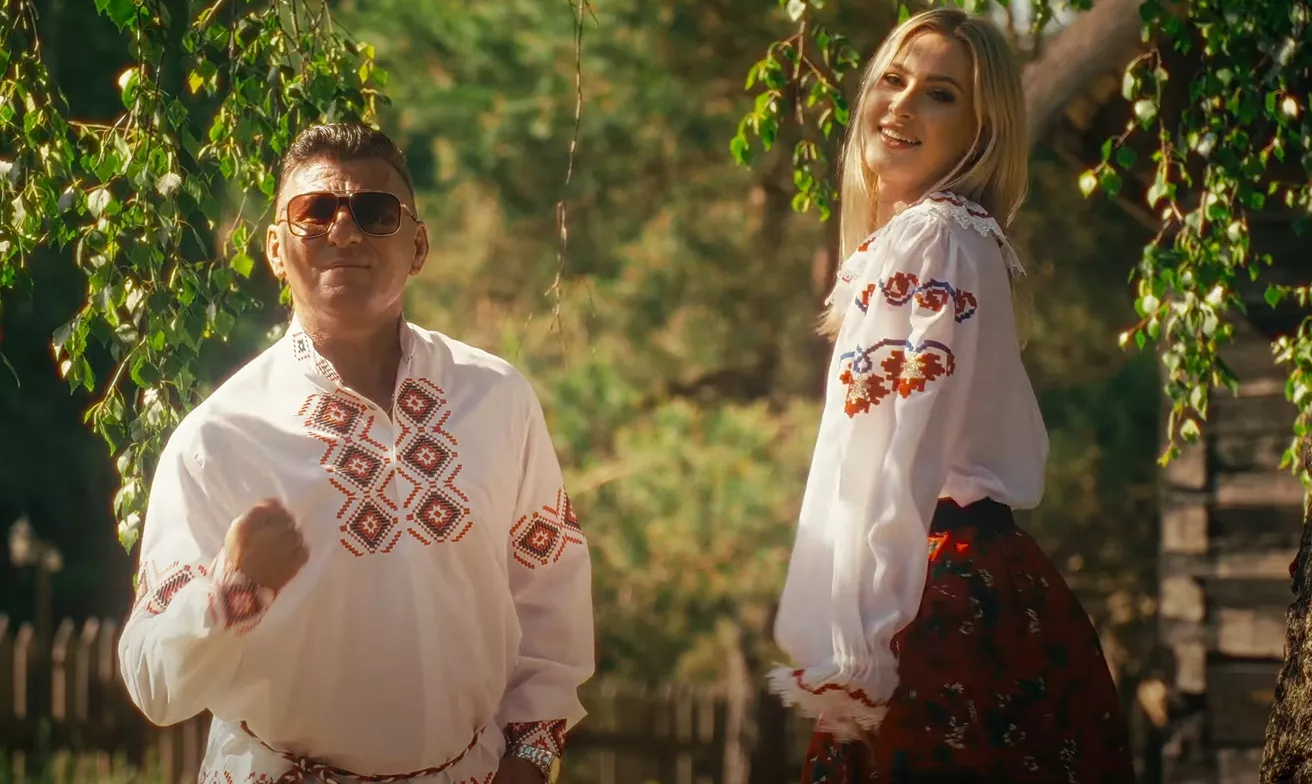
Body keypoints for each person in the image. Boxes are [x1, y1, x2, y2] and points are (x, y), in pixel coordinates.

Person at [117, 122, 594, 784]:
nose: (344, 232)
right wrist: (232, 591)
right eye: (314, 212)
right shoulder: (219, 440)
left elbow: (551, 596)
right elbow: (153, 684)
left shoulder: (495, 399)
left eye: (375, 212)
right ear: (276, 250)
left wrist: (532, 757)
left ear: (418, 245)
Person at [765, 9, 1136, 782]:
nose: (901, 106)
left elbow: (887, 458)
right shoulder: (958, 236)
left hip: (932, 602)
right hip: (985, 589)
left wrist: (859, 652)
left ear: (980, 130)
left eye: (939, 94)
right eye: (893, 81)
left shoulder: (931, 237)